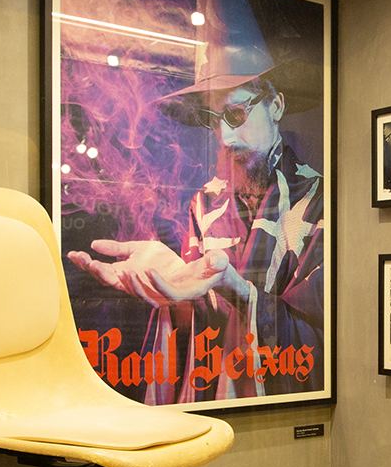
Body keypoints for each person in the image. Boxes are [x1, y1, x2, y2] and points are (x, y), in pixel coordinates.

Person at [68, 62, 324, 404]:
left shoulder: (320, 200)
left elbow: (324, 337)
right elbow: (198, 330)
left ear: (275, 106)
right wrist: (174, 287)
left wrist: (242, 294)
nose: (225, 137)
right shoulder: (205, 203)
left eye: (235, 114)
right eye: (213, 120)